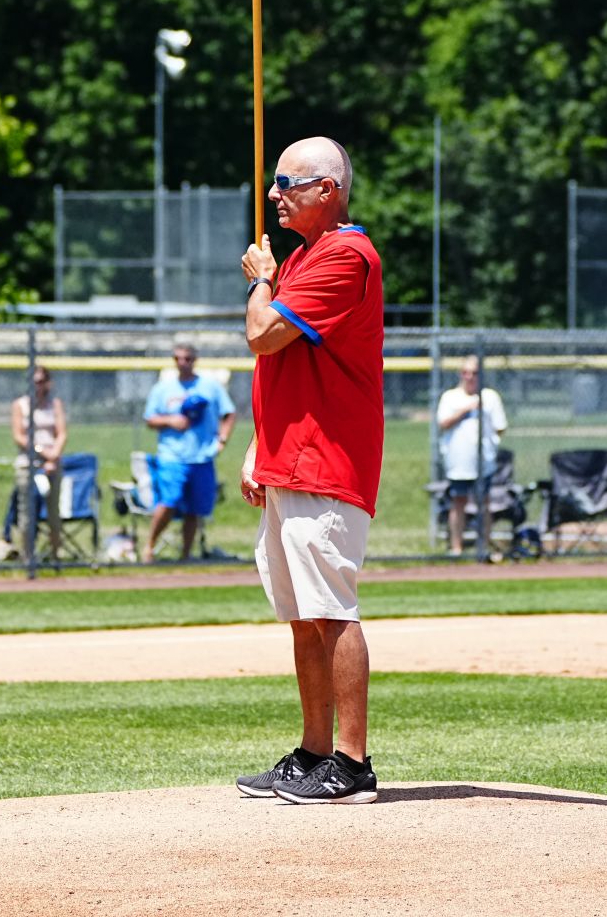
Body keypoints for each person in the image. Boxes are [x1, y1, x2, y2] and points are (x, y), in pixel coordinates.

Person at [235, 137, 384, 805]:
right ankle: (314, 751)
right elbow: (279, 366)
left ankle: (351, 763)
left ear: (329, 189)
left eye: (288, 183)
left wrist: (261, 279)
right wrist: (257, 449)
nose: (274, 195)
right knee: (301, 612)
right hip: (289, 457)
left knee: (331, 607)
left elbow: (262, 335)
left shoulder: (346, 255)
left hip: (329, 460)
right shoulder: (303, 257)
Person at [142, 341, 236, 561]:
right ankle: (149, 547)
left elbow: (229, 413)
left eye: (187, 359)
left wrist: (221, 440)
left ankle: (185, 555)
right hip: (172, 456)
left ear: (195, 360)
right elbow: (149, 418)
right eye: (178, 359)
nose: (182, 363)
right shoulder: (163, 389)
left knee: (195, 509)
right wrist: (170, 420)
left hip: (202, 456)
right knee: (169, 502)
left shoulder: (210, 386)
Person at [436, 357, 509, 557]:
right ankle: (456, 547)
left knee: (484, 502)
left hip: (483, 461)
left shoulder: (490, 397)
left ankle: (483, 547)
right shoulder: (450, 397)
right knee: (458, 501)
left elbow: (500, 427)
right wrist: (466, 409)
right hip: (459, 462)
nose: (469, 377)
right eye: (466, 372)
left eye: (475, 373)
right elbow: (442, 423)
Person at [10, 366, 68, 561]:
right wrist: (42, 453)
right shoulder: (21, 405)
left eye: (41, 381)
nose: (38, 385)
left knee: (54, 514)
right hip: (28, 464)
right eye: (34, 381)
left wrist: (53, 456)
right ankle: (28, 557)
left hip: (52, 465)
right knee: (26, 513)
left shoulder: (55, 404)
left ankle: (55, 555)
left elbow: (61, 434)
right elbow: (19, 436)